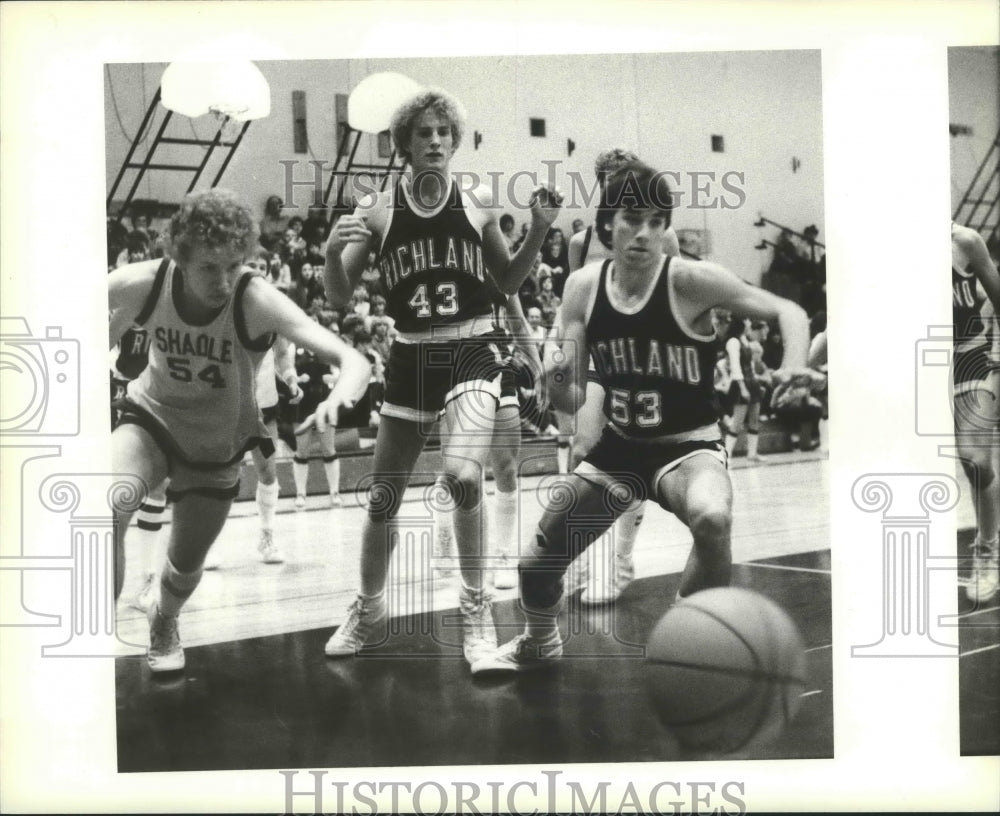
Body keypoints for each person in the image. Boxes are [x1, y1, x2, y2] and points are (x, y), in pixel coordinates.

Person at [471, 162, 815, 674]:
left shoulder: (693, 281)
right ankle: (539, 639)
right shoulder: (583, 287)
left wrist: (792, 367)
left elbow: (791, 312)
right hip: (620, 447)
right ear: (608, 223)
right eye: (634, 218)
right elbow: (570, 399)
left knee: (713, 516)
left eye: (658, 221)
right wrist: (554, 375)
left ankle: (692, 624)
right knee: (533, 568)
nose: (646, 233)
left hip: (687, 448)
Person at [321, 86, 562, 666]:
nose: (434, 141)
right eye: (423, 133)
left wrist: (536, 228)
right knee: (383, 498)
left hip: (473, 349)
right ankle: (368, 606)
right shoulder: (377, 209)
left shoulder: (476, 199)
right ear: (403, 143)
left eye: (443, 133)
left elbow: (504, 284)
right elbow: (337, 296)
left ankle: (475, 611)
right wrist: (332, 253)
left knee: (462, 479)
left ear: (454, 141)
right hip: (410, 357)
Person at [109, 189, 371, 673]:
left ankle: (163, 618)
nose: (224, 279)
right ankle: (89, 633)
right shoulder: (143, 282)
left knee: (184, 569)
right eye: (210, 268)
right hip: (152, 419)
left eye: (234, 265)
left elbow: (351, 357)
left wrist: (340, 396)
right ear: (179, 258)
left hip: (218, 442)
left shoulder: (255, 297)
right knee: (102, 507)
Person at [558, 148, 682, 605]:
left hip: (641, 359)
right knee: (581, 454)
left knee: (635, 460)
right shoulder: (579, 241)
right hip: (597, 357)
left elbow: (673, 295)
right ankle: (580, 559)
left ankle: (621, 561)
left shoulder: (660, 238)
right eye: (610, 180)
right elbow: (577, 305)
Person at [951, 222, 1000, 603]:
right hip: (911, 366)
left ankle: (987, 547)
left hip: (966, 356)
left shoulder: (963, 240)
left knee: (976, 461)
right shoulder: (889, 245)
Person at [723, 317, 769, 461]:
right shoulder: (733, 342)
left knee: (755, 418)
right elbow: (735, 367)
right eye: (747, 323)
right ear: (741, 324)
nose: (750, 325)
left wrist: (757, 383)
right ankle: (726, 455)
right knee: (738, 421)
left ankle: (752, 453)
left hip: (752, 382)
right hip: (740, 383)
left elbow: (751, 365)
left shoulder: (745, 340)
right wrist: (743, 388)